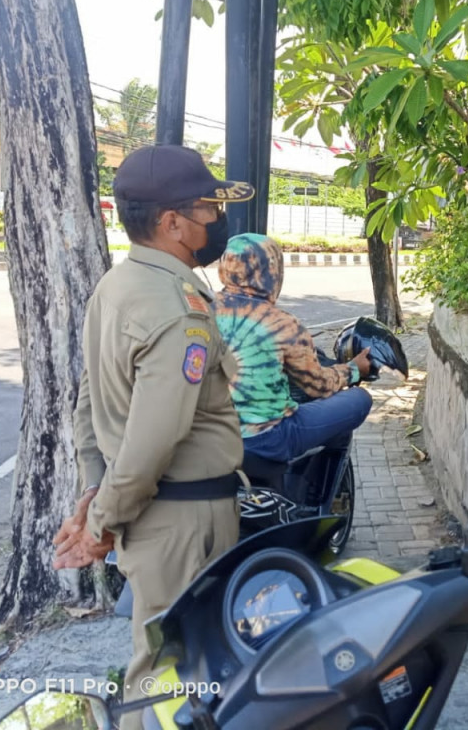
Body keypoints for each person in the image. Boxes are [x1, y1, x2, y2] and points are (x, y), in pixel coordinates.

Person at [51, 144, 253, 730]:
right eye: (208, 210)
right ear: (172, 223)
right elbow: (153, 440)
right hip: (182, 520)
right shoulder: (178, 309)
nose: (216, 221)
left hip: (156, 514)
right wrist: (99, 526)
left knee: (165, 660)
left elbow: (90, 404)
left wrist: (94, 493)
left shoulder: (118, 286)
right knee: (173, 671)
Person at [212, 233, 372, 497]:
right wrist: (354, 369)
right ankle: (318, 499)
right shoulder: (283, 324)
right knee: (359, 399)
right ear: (273, 271)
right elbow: (318, 386)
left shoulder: (199, 310)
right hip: (267, 440)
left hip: (210, 438)